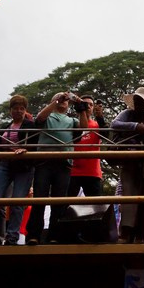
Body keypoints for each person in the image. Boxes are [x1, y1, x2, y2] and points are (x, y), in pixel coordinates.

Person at [26, 91, 89, 245]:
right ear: (52, 101)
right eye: (58, 98)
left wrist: (81, 108)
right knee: (39, 198)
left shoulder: (71, 119)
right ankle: (34, 235)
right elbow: (39, 118)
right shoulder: (48, 115)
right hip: (44, 162)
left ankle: (54, 236)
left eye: (65, 99)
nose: (63, 100)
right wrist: (55, 102)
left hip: (64, 163)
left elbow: (84, 127)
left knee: (59, 202)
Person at [0, 95, 38, 246]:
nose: (18, 111)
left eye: (21, 108)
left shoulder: (30, 125)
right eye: (15, 108)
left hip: (23, 166)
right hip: (5, 165)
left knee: (17, 202)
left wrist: (25, 149)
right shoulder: (5, 126)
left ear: (25, 110)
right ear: (10, 111)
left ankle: (12, 237)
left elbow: (35, 143)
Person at [111, 87, 144, 244]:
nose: (137, 102)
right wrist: (135, 126)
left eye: (140, 100)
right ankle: (126, 232)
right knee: (129, 196)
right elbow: (115, 123)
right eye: (135, 99)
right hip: (130, 161)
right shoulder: (126, 114)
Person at [68, 95, 102, 199]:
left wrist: (101, 116)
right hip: (72, 172)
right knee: (64, 206)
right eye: (85, 104)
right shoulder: (71, 123)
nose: (88, 107)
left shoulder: (98, 125)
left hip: (93, 172)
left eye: (91, 105)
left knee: (96, 209)